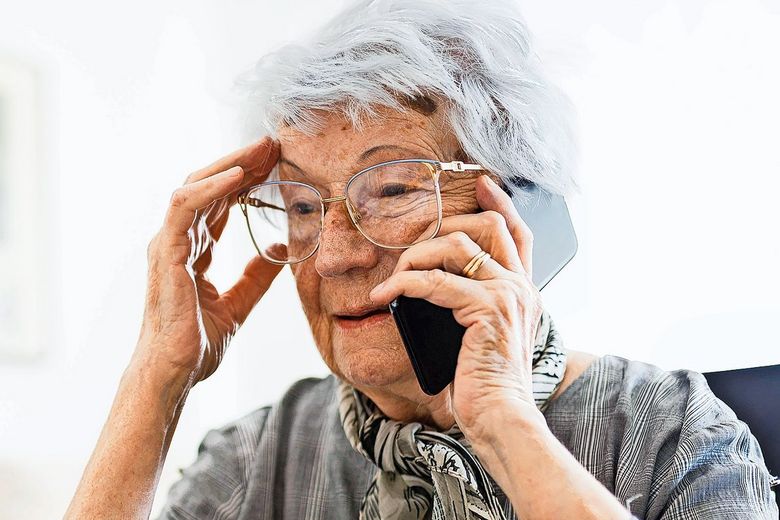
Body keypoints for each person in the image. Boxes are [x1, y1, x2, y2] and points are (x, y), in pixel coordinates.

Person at [65, 0, 778, 518]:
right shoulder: (260, 461)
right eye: (305, 206)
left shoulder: (671, 435)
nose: (336, 255)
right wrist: (156, 378)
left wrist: (503, 421)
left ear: (518, 208)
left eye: (393, 189)